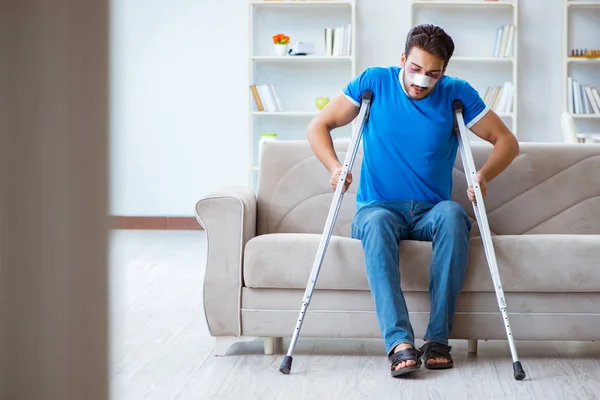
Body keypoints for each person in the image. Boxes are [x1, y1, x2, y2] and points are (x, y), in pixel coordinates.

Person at [305, 24, 520, 377]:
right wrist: (335, 167)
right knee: (375, 222)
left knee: (454, 215)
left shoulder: (456, 94)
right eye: (415, 70)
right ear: (403, 59)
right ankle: (399, 344)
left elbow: (507, 142)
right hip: (378, 208)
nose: (422, 82)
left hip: (430, 212)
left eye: (432, 74)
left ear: (444, 72)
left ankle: (437, 340)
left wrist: (482, 176)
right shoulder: (373, 82)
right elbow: (319, 125)